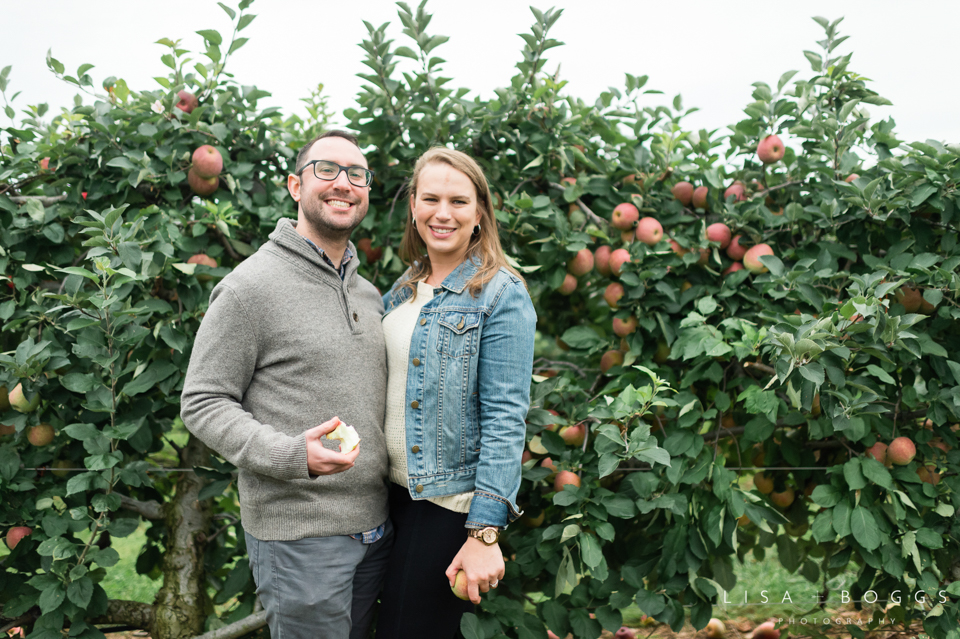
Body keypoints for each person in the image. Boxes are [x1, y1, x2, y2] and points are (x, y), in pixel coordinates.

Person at [180, 130, 393, 639]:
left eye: (356, 174)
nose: (343, 183)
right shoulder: (250, 288)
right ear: (296, 186)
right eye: (327, 170)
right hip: (300, 537)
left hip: (376, 530)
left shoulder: (369, 293)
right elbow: (203, 400)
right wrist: (289, 455)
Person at [375, 148, 536, 638]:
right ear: (414, 208)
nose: (442, 213)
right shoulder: (404, 288)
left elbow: (507, 417)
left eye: (458, 201)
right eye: (430, 199)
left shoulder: (501, 293)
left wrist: (484, 532)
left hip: (445, 507)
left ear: (480, 213)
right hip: (385, 497)